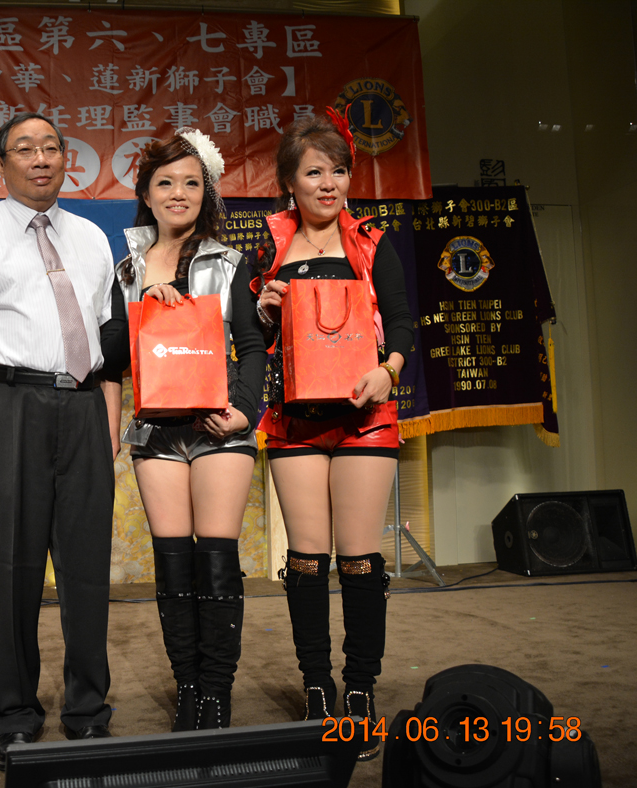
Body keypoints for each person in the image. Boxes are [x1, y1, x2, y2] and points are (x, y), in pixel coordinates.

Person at [0, 112, 126, 771]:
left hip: (83, 408)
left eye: (51, 148)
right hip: (5, 405)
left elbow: (106, 342)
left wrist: (109, 423)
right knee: (8, 570)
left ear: (66, 158)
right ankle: (14, 714)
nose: (41, 159)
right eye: (25, 149)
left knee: (87, 570)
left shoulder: (91, 237)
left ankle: (87, 712)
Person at [252, 109, 413, 761]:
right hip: (294, 421)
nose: (329, 184)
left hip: (364, 418)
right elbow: (252, 339)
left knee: (359, 558)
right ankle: (316, 687)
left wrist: (387, 370)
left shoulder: (372, 241)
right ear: (289, 182)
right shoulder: (267, 247)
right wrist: (263, 309)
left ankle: (360, 691)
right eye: (314, 172)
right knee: (305, 558)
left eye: (338, 171)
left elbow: (401, 323)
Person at [113, 130, 263, 731]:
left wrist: (245, 410)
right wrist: (142, 309)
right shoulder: (126, 268)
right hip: (155, 431)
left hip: (218, 427)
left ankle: (217, 695)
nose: (179, 193)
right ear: (147, 194)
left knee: (217, 559)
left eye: (192, 183)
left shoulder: (230, 263)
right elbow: (112, 355)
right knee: (173, 565)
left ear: (208, 193)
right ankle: (189, 691)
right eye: (166, 183)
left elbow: (252, 344)